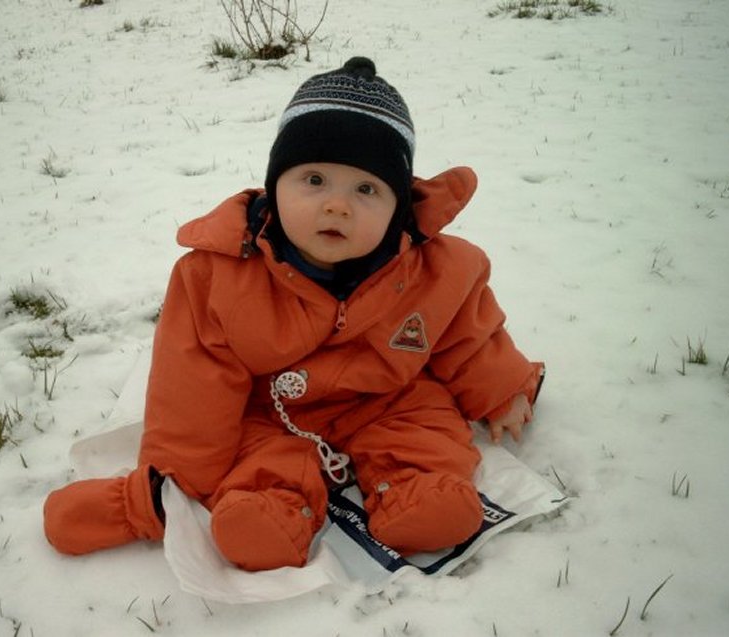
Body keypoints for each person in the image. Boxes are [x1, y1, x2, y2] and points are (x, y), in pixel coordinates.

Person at [43, 57, 544, 571]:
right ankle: (272, 511)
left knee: (425, 435)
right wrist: (167, 486)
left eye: (366, 189)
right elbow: (192, 387)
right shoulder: (216, 278)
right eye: (314, 179)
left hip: (389, 400)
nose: (338, 205)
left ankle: (417, 492)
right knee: (259, 460)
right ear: (274, 185)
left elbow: (472, 334)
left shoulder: (437, 270)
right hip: (272, 412)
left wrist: (503, 388)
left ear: (399, 207)